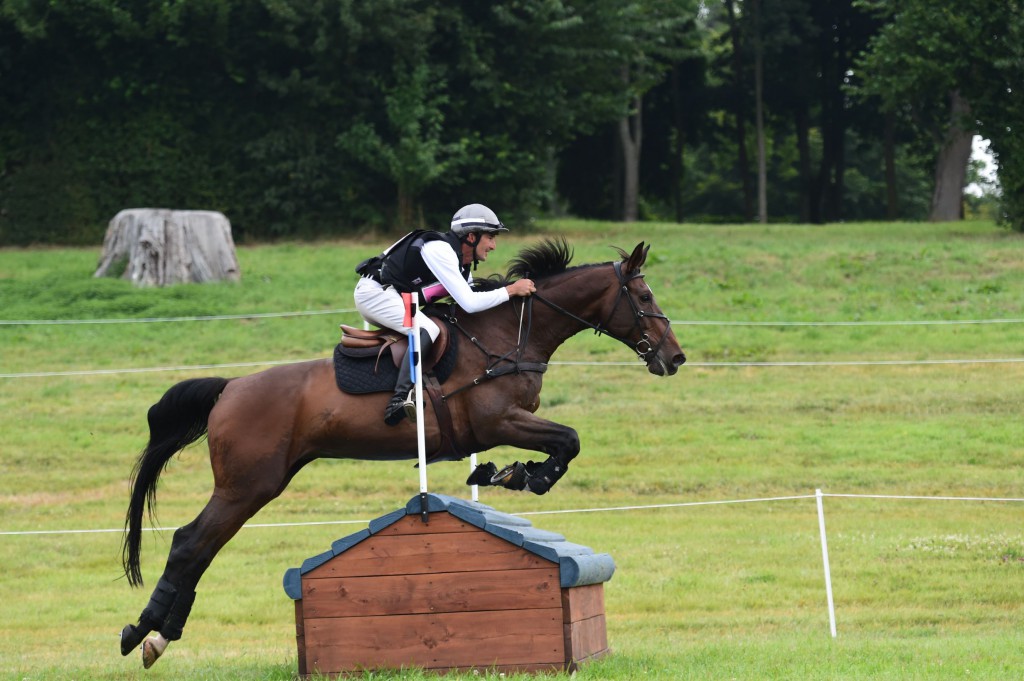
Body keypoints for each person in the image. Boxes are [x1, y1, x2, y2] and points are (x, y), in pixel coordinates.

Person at [354, 203, 536, 425]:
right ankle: (399, 399)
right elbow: (470, 303)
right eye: (490, 237)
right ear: (471, 237)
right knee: (426, 328)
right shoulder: (439, 250)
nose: (493, 245)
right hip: (375, 294)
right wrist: (511, 289)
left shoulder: (461, 265)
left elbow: (471, 303)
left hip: (396, 297)